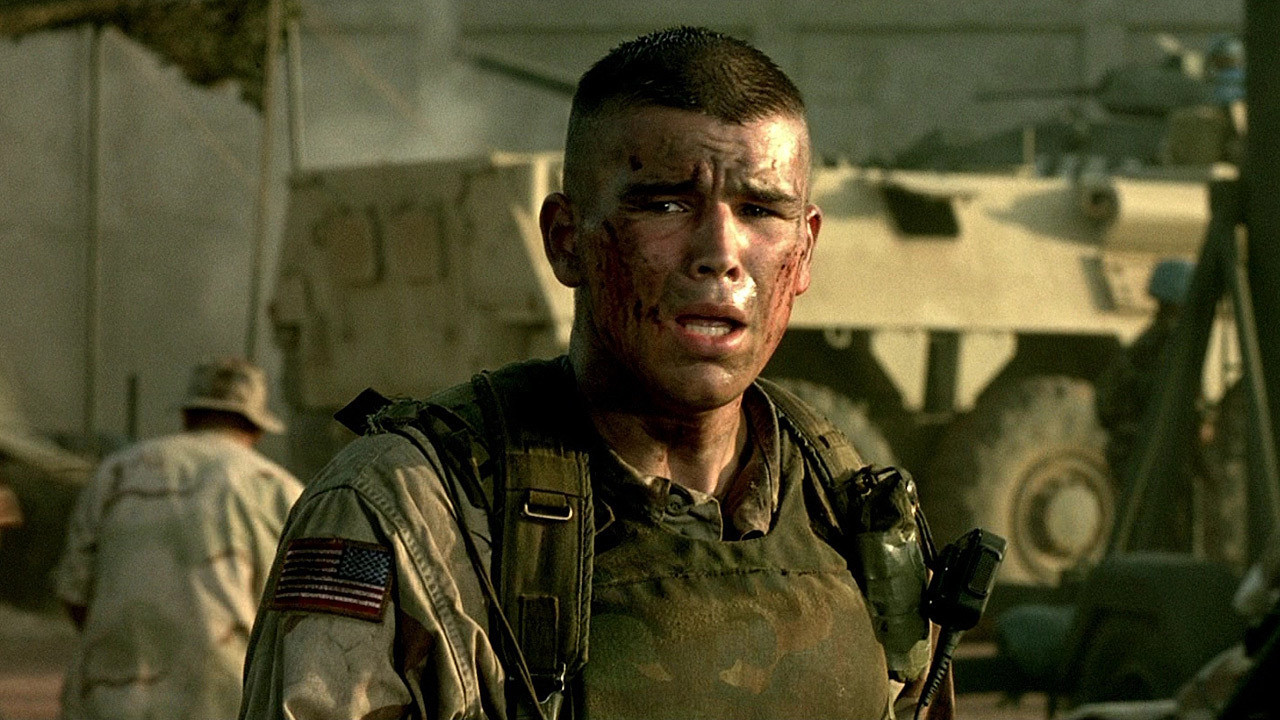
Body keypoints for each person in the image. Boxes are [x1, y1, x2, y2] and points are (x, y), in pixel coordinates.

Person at [241, 27, 952, 720]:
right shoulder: (411, 512)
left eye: (761, 209)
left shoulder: (844, 498)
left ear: (804, 252)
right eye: (666, 204)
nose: (720, 253)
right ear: (565, 240)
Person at [54, 357, 302, 720]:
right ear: (257, 428)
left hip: (111, 700)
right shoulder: (278, 489)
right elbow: (295, 618)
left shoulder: (116, 472)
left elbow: (74, 591)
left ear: (187, 416)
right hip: (222, 699)